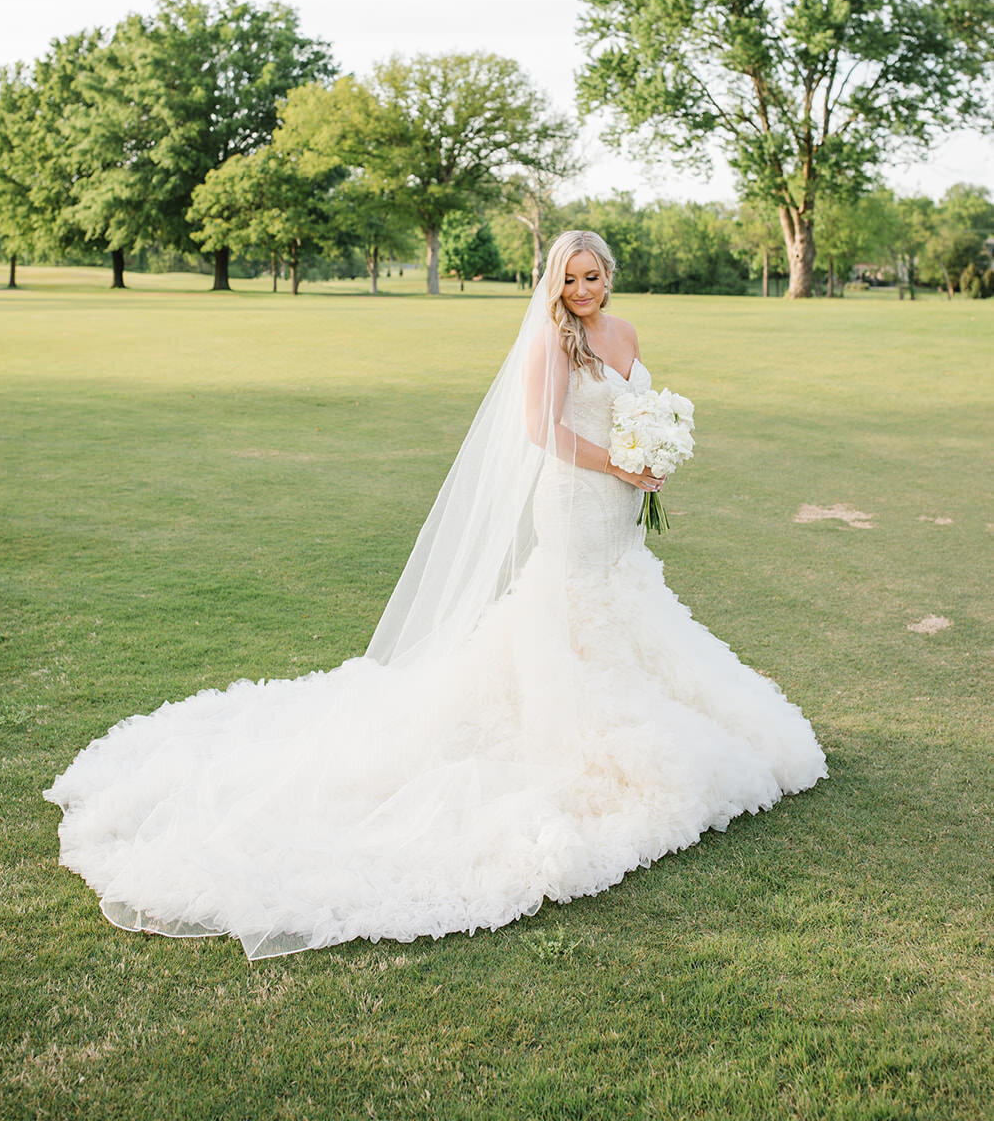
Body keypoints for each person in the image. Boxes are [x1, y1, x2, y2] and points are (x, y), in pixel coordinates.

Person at [44, 230, 826, 960]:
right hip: (576, 501)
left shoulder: (623, 335)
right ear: (552, 283)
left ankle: (655, 701)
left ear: (607, 278)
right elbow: (542, 431)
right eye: (569, 278)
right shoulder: (552, 343)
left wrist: (647, 449)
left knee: (627, 598)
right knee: (573, 607)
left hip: (620, 506)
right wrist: (618, 466)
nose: (582, 290)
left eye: (592, 277)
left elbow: (630, 410)